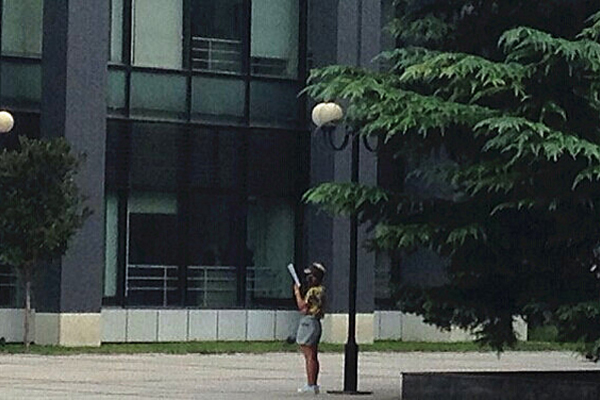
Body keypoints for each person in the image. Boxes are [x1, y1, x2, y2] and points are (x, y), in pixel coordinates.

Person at [293, 262, 326, 395]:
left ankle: (310, 384)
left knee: (309, 355)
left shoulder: (312, 291)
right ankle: (313, 383)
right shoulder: (321, 290)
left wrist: (297, 293)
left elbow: (302, 307)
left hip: (309, 321)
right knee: (313, 354)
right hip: (316, 322)